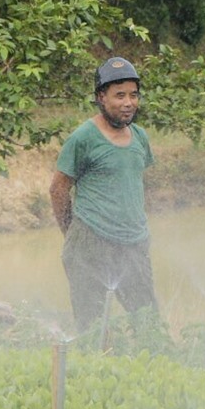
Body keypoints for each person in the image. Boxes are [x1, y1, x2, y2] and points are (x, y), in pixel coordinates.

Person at [50, 57, 158, 331]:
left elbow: (131, 181)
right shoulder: (83, 138)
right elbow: (58, 189)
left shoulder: (140, 137)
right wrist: (73, 232)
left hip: (133, 243)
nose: (128, 103)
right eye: (119, 95)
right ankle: (92, 369)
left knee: (148, 322)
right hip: (90, 241)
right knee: (92, 327)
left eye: (133, 95)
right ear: (101, 97)